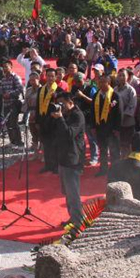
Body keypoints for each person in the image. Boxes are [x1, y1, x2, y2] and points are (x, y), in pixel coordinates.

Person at [52, 91, 87, 228]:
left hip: (73, 159)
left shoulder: (77, 115)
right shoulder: (65, 114)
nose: (61, 106)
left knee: (73, 193)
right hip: (62, 157)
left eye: (63, 103)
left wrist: (60, 118)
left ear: (70, 102)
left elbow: (69, 134)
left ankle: (79, 222)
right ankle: (73, 217)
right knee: (67, 191)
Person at [89, 74, 121, 175]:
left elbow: (118, 113)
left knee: (114, 151)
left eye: (104, 82)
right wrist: (93, 126)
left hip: (111, 128)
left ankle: (115, 170)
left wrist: (117, 128)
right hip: (100, 127)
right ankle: (103, 169)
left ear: (109, 83)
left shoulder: (115, 96)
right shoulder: (96, 96)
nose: (101, 84)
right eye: (100, 82)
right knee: (102, 149)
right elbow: (93, 112)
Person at [36, 68, 61, 173]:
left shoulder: (59, 90)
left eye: (52, 76)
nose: (50, 78)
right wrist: (37, 121)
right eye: (48, 76)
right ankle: (48, 165)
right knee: (46, 144)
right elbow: (37, 106)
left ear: (55, 77)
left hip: (54, 121)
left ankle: (55, 166)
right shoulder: (41, 90)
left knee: (55, 144)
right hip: (43, 120)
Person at [0, 60, 24, 147]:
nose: (5, 69)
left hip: (13, 104)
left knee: (14, 123)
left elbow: (20, 89)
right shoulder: (3, 79)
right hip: (5, 104)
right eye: (3, 67)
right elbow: (1, 90)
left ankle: (19, 142)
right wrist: (2, 94)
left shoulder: (15, 77)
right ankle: (12, 141)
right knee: (8, 123)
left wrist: (9, 94)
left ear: (11, 67)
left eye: (6, 66)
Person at [114, 69, 137, 158]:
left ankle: (128, 163)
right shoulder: (115, 89)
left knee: (127, 145)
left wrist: (122, 115)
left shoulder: (131, 90)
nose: (121, 77)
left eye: (123, 75)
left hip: (127, 122)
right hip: (117, 122)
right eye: (119, 75)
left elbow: (132, 106)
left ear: (128, 77)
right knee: (118, 144)